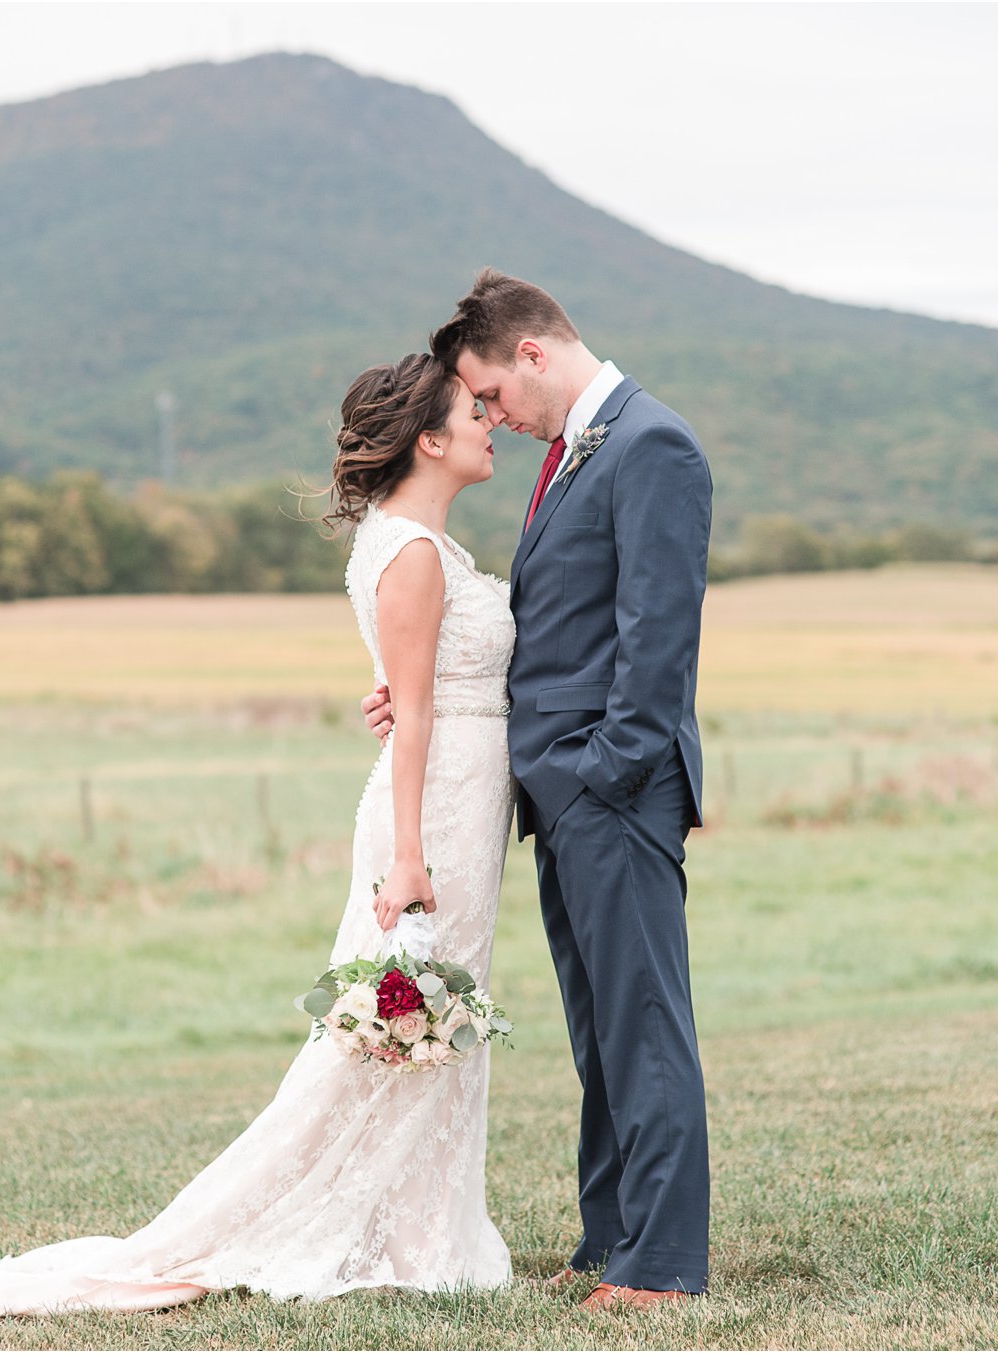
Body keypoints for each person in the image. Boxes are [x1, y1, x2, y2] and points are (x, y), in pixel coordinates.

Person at [0, 353, 517, 1321]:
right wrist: (410, 858)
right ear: (429, 438)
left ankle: (420, 1229)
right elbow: (414, 714)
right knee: (405, 1023)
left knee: (422, 1024)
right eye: (474, 410)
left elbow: (411, 691)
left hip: (452, 796)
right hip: (434, 814)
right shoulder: (411, 553)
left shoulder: (410, 542)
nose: (489, 421)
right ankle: (376, 1235)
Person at [363, 269, 714, 1311]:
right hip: (557, 794)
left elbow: (658, 637)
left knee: (642, 1022)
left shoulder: (651, 445)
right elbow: (556, 625)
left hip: (611, 789)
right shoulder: (573, 455)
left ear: (531, 355)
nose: (495, 418)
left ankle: (659, 1267)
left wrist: (602, 771)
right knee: (598, 1029)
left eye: (492, 395)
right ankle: (607, 1238)